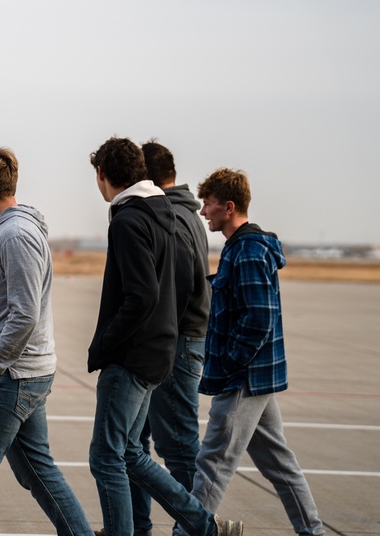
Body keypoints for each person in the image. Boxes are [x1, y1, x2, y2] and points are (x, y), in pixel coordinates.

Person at [87, 137, 241, 536]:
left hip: (136, 356)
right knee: (133, 453)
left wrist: (105, 344)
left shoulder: (129, 219)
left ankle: (176, 528)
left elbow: (144, 295)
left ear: (103, 176)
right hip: (160, 350)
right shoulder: (165, 212)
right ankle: (203, 526)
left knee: (108, 456)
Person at [0, 142, 91, 536]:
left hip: (10, 377)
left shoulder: (16, 235)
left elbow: (24, 314)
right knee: (36, 470)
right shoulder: (5, 231)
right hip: (21, 373)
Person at [189, 168, 325, 535]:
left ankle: (186, 532)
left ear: (228, 207)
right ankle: (313, 531)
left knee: (214, 461)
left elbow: (259, 317)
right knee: (280, 464)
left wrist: (232, 360)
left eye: (209, 205)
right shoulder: (244, 247)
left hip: (244, 377)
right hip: (257, 375)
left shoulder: (248, 250)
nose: (203, 212)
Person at [127, 141, 211, 536]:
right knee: (134, 443)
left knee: (177, 448)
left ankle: (197, 527)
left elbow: (174, 293)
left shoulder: (173, 218)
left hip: (175, 346)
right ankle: (134, 527)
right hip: (177, 343)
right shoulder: (186, 213)